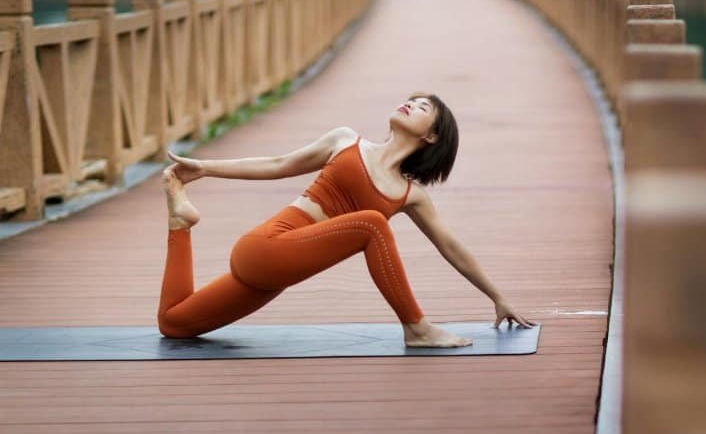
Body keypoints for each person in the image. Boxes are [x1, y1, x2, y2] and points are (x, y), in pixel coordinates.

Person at [157, 93, 536, 347]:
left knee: (174, 324)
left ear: (433, 136)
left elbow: (451, 247)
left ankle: (180, 221)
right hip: (266, 247)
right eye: (410, 99)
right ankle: (416, 327)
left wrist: (497, 297)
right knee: (372, 222)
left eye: (422, 107)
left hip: (279, 273)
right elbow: (278, 164)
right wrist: (204, 168)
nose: (409, 104)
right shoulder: (346, 141)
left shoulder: (411, 195)